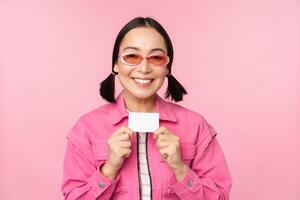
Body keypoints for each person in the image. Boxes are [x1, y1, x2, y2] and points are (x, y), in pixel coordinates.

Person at [61, 16, 232, 200]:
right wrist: (109, 169)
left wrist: (181, 169)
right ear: (116, 64)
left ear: (167, 67)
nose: (144, 68)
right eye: (132, 56)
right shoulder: (87, 129)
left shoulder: (196, 126)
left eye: (156, 58)